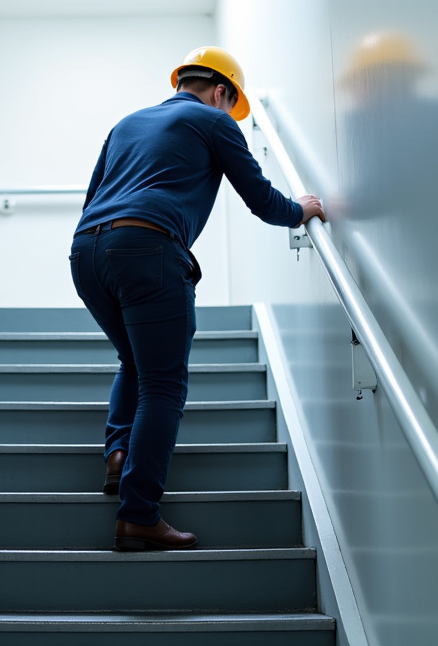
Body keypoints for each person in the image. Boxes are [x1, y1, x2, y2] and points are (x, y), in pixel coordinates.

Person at [69, 46, 325, 551]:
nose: (231, 114)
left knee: (134, 361)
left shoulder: (126, 123)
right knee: (164, 385)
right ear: (222, 91)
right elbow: (261, 198)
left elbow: (92, 200)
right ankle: (139, 515)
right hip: (149, 249)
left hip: (87, 252)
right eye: (231, 105)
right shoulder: (214, 121)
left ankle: (118, 455)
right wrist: (302, 210)